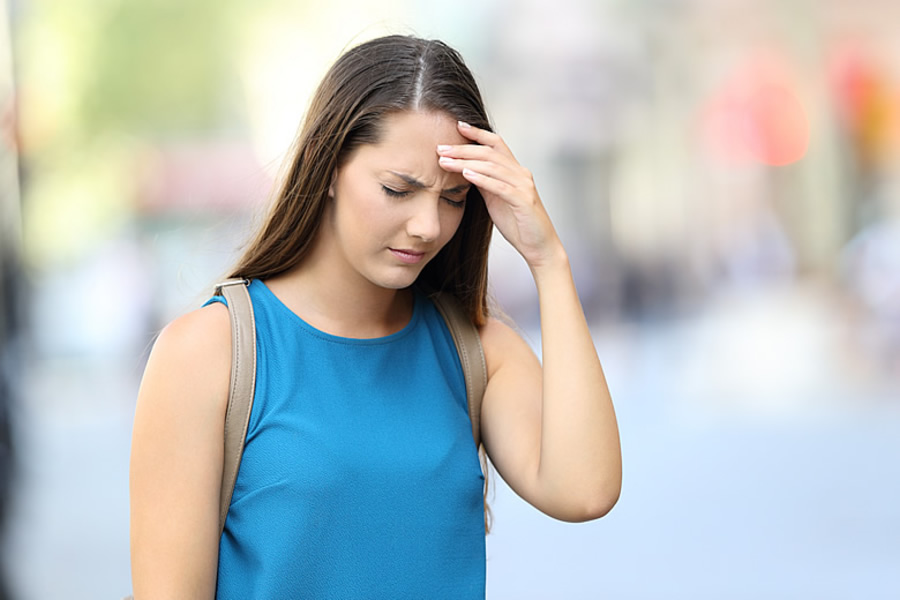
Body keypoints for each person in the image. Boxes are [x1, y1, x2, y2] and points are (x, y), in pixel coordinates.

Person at [129, 34, 621, 599]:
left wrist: (548, 260)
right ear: (329, 167)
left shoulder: (475, 350)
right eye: (397, 189)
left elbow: (586, 490)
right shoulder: (211, 353)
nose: (427, 226)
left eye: (454, 198)